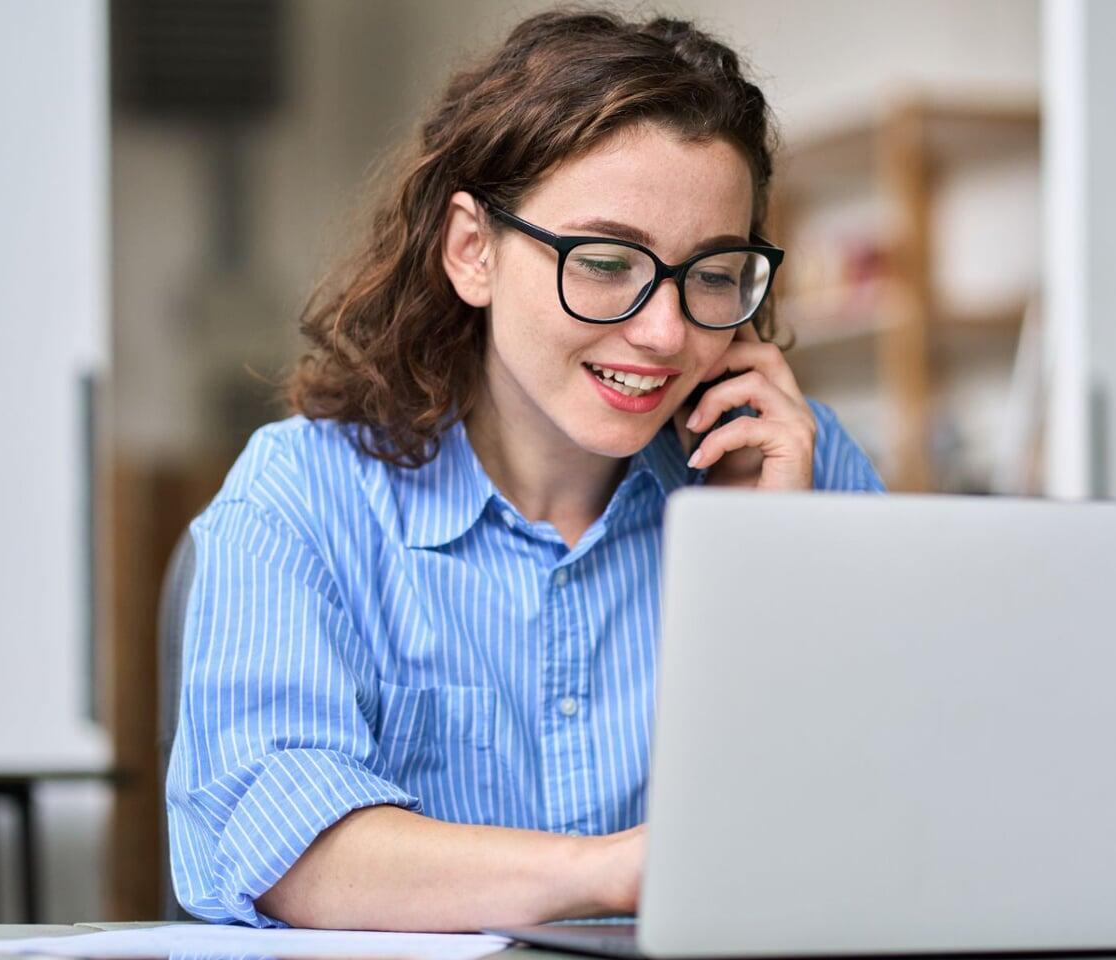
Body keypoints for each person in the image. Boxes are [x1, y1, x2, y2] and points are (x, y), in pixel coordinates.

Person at [165, 7, 885, 934]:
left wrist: (766, 557)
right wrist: (618, 872)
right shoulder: (303, 495)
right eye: (606, 260)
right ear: (473, 250)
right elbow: (284, 851)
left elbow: (877, 815)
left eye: (712, 273)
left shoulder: (803, 468)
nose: (664, 333)